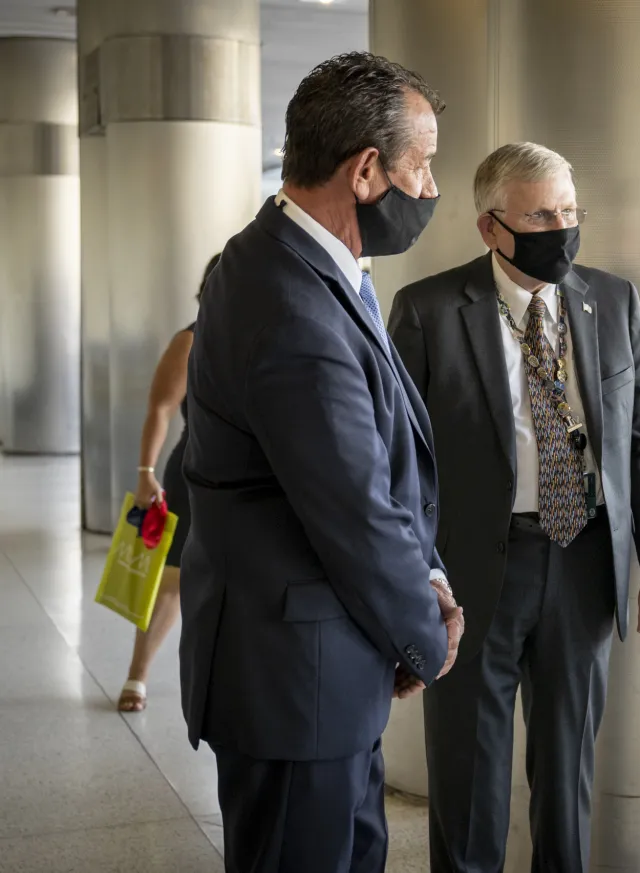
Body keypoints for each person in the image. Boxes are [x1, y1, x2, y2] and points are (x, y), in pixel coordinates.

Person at [178, 52, 463, 873]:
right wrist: (421, 634)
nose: (430, 186)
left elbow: (374, 464)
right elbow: (352, 507)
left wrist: (424, 587)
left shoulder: (287, 261)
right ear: (368, 170)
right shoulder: (289, 300)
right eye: (424, 163)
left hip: (320, 671)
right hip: (294, 683)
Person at [388, 142, 640, 873]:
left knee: (566, 768)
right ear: (491, 226)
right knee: (469, 770)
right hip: (472, 572)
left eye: (570, 211)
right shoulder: (427, 310)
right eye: (543, 214)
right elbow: (398, 462)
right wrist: (415, 573)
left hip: (583, 561)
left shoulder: (612, 301)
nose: (563, 226)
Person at [117, 254, 220, 712]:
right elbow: (160, 408)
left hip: (254, 479)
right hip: (193, 471)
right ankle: (138, 674)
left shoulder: (267, 333)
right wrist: (145, 474)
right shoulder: (192, 338)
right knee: (174, 580)